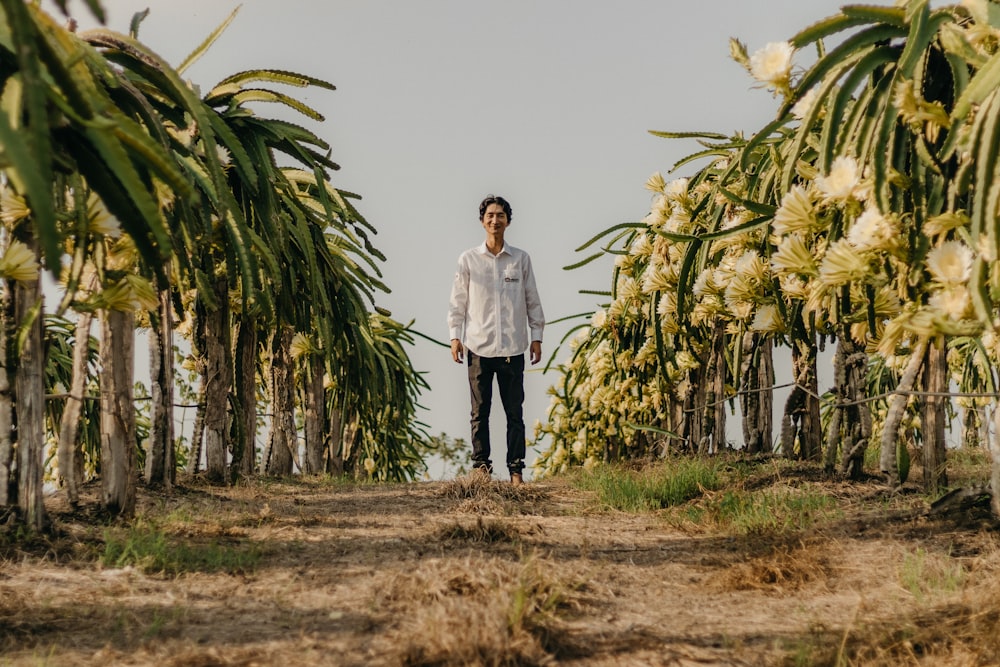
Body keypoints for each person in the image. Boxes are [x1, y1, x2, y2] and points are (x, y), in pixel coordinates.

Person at [448, 194, 545, 486]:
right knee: (480, 413)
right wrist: (455, 337)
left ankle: (516, 470)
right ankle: (481, 467)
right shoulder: (468, 260)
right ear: (482, 221)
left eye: (500, 215)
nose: (495, 220)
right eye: (490, 215)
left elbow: (532, 300)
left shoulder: (520, 259)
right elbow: (458, 302)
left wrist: (536, 337)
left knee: (515, 413)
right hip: (478, 347)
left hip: (513, 348)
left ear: (508, 221)